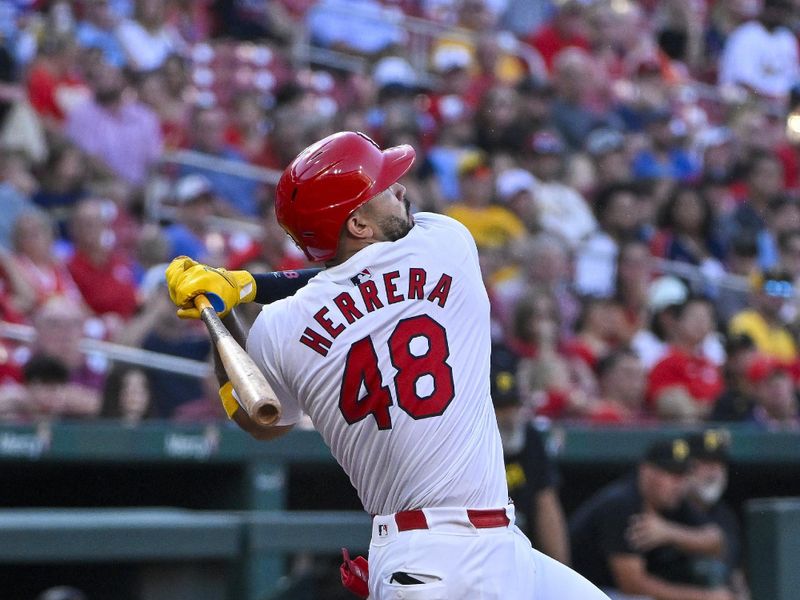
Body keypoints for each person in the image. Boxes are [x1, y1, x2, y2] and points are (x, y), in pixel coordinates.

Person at [166, 131, 609, 599]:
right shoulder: (446, 244)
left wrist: (223, 313)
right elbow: (359, 272)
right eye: (382, 187)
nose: (399, 189)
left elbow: (259, 420)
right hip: (432, 560)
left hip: (470, 548)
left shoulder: (276, 330)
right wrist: (252, 286)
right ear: (357, 223)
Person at [569, 436, 733, 600]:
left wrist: (669, 532)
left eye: (683, 475)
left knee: (708, 569)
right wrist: (705, 598)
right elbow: (632, 584)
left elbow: (717, 541)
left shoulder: (674, 501)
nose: (679, 483)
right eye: (671, 474)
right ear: (646, 471)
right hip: (582, 591)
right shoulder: (622, 503)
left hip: (617, 593)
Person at [491, 363, 570, 564]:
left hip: (525, 547)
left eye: (513, 406)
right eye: (500, 408)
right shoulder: (471, 442)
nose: (509, 416)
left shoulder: (530, 437)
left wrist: (561, 569)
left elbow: (546, 503)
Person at [686, 430, 750, 599]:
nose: (714, 472)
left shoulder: (725, 515)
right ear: (686, 467)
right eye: (705, 463)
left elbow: (734, 571)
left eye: (719, 464)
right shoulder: (671, 509)